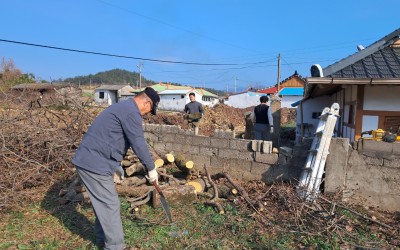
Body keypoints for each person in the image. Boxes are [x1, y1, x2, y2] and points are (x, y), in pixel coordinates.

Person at [72, 87, 160, 250]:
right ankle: (115, 247)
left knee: (104, 203)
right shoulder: (131, 112)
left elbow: (111, 136)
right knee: (110, 204)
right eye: (149, 110)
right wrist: (151, 168)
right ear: (147, 102)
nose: (147, 114)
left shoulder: (123, 107)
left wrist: (116, 163)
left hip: (94, 160)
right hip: (93, 163)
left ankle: (102, 240)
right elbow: (138, 142)